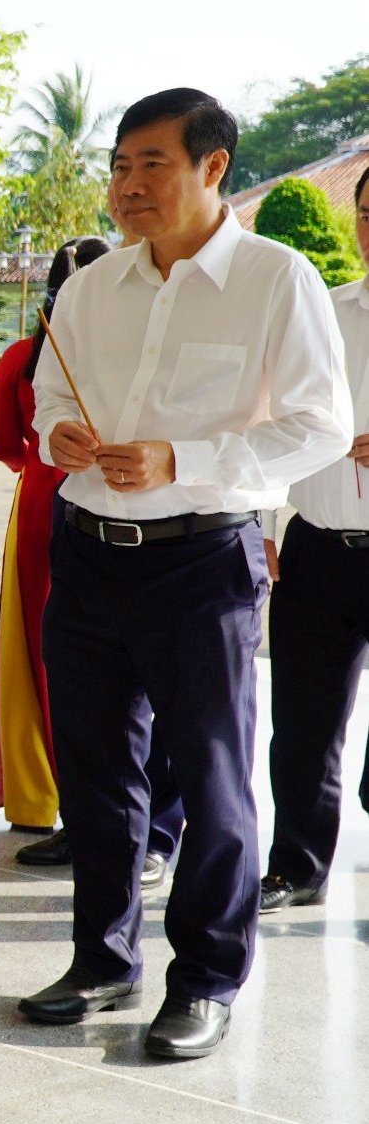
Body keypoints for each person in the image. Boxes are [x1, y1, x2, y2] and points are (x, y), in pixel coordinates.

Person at [18, 88, 351, 1060]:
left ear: (214, 168)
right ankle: (103, 956)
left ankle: (204, 978)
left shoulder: (274, 279)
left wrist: (185, 458)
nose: (127, 187)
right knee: (97, 771)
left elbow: (319, 424)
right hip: (86, 555)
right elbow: (46, 399)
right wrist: (60, 434)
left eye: (151, 165)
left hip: (201, 559)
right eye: (119, 166)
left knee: (211, 778)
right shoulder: (90, 287)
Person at [258, 165, 369, 913]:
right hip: (319, 546)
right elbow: (269, 423)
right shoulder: (324, 313)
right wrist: (266, 525)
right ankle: (296, 864)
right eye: (366, 211)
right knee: (300, 723)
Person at [0, 238, 111, 839]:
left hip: (40, 500)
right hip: (114, 497)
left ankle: (38, 796)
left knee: (37, 644)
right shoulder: (121, 351)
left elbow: (5, 446)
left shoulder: (19, 358)